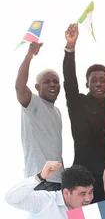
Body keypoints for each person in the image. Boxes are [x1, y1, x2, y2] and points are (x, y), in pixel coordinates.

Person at [63, 23, 105, 203]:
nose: (98, 84)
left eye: (102, 80)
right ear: (87, 85)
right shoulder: (79, 103)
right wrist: (70, 48)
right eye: (94, 81)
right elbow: (69, 81)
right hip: (80, 179)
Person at [15, 41, 65, 190]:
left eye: (56, 82)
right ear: (37, 87)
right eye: (47, 82)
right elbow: (19, 87)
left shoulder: (57, 112)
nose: (52, 85)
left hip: (59, 180)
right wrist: (29, 55)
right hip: (40, 179)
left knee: (64, 214)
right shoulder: (33, 103)